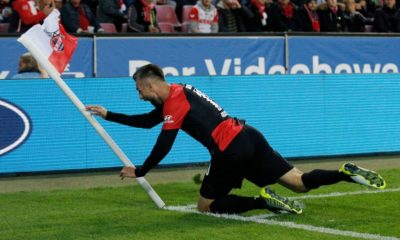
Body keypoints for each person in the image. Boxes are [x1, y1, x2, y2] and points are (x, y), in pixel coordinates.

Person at [86, 64, 386, 215]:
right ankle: (344, 173)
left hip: (229, 149)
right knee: (299, 181)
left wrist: (141, 170)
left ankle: (262, 200)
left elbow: (164, 143)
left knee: (206, 206)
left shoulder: (174, 103)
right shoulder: (178, 93)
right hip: (249, 135)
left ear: (150, 84)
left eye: (140, 90)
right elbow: (146, 122)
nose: (139, 95)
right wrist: (108, 114)